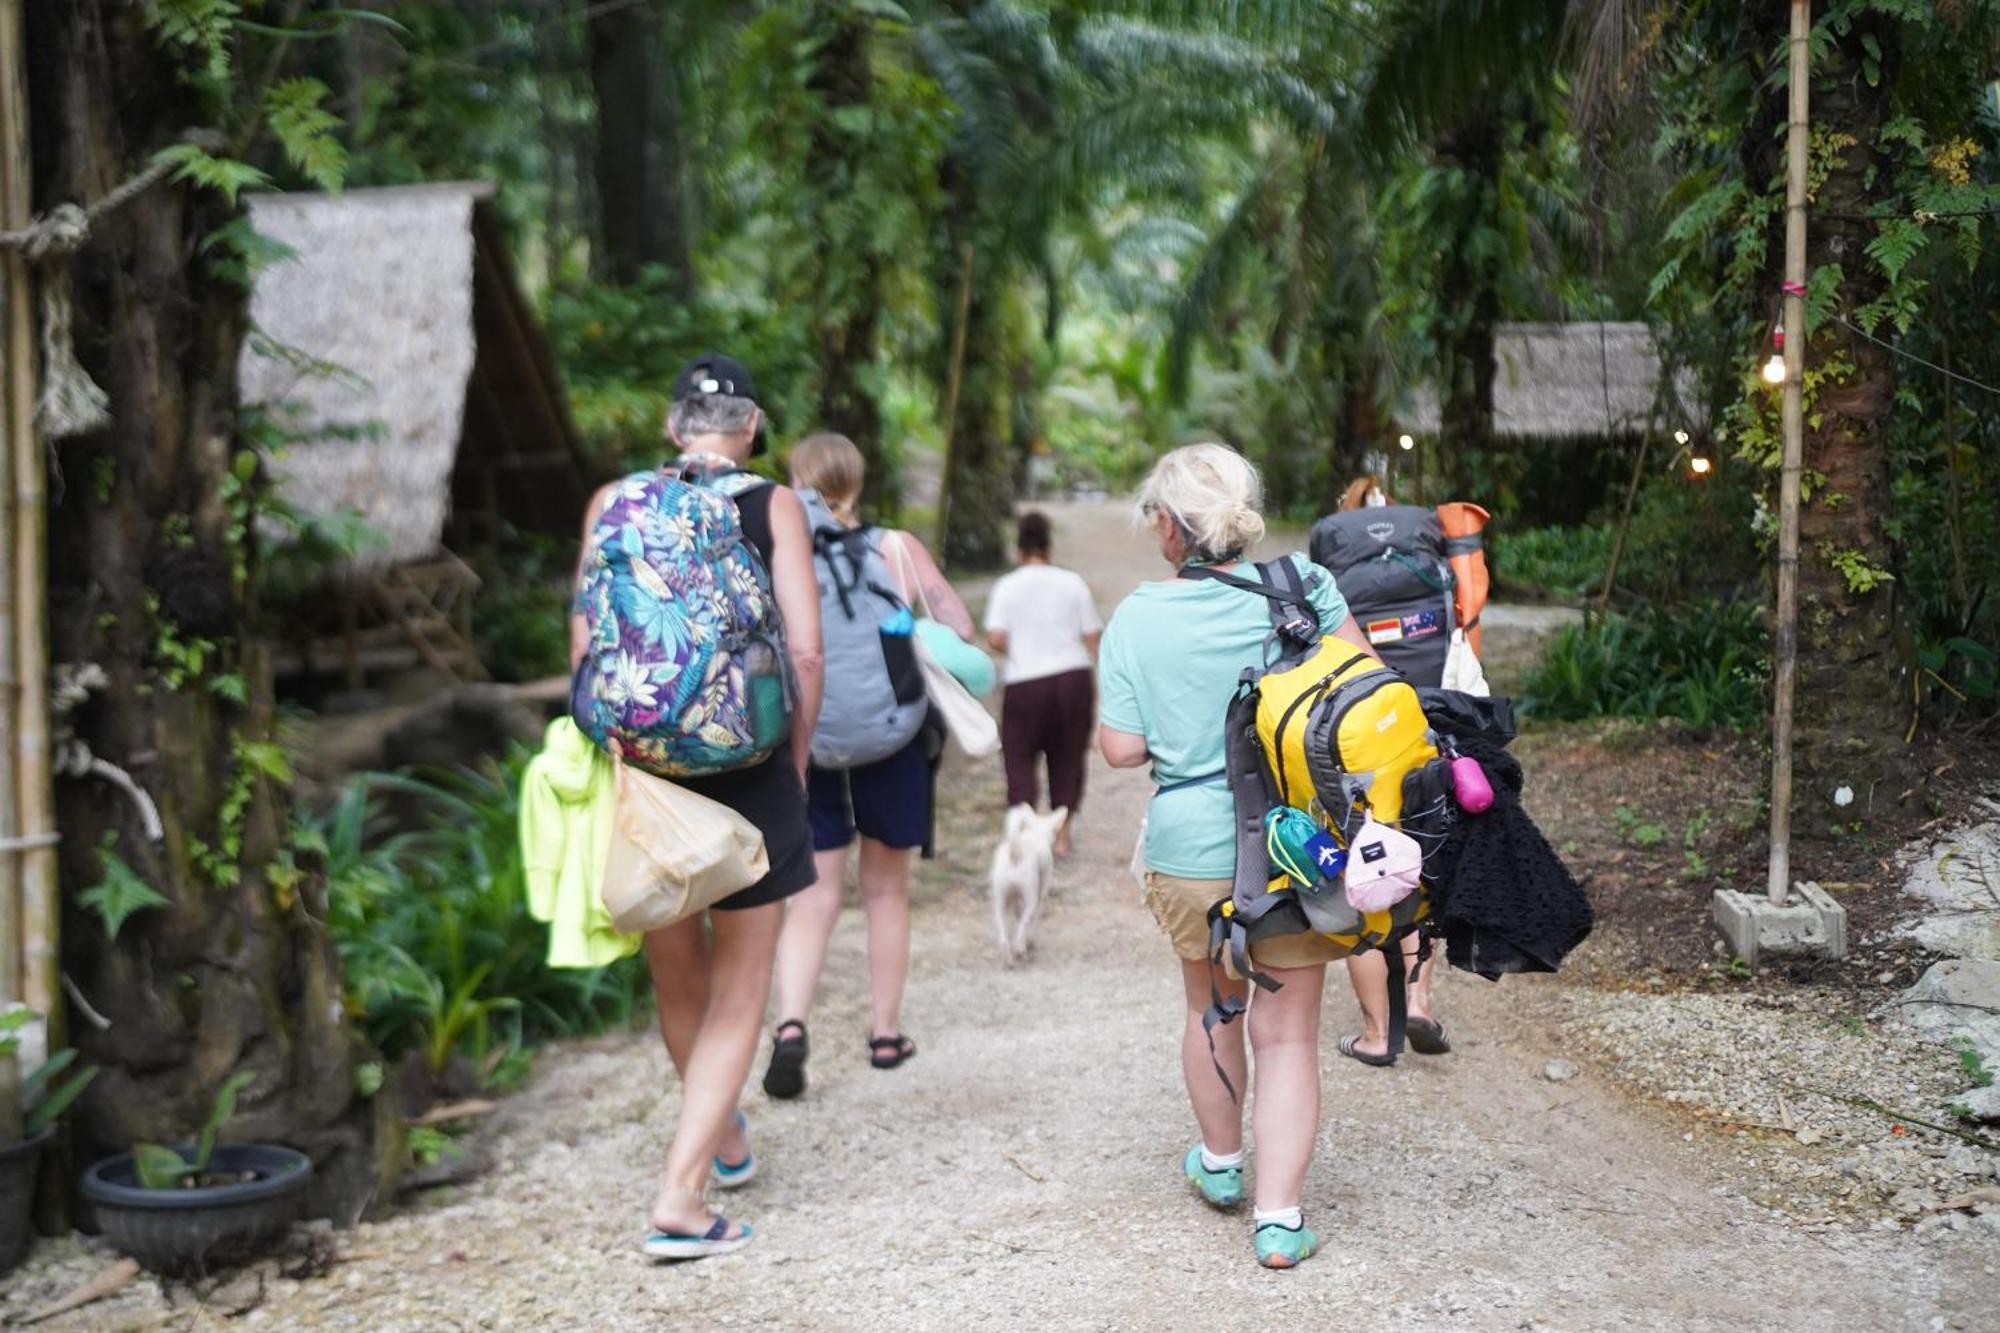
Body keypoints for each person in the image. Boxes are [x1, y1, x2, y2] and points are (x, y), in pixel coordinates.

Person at [1097, 443, 1376, 1270]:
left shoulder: (1137, 616)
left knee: (1211, 1005)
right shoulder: (1303, 590)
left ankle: (1220, 1166)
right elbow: (1366, 683)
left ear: (1168, 526)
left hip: (1190, 848)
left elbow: (1118, 749)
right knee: (1287, 1034)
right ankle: (1280, 1219)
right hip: (1297, 845)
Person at [571, 353, 824, 1260]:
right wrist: (792, 764)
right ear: (751, 427)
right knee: (742, 986)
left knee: (677, 972)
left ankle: (718, 1138)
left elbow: (587, 639)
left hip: (644, 762)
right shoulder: (772, 505)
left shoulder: (614, 502)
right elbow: (803, 652)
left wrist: (614, 746)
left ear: (675, 427)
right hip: (748, 760)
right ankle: (680, 1194)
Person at [761, 433, 977, 1099]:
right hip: (893, 734)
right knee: (886, 889)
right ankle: (885, 1034)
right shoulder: (897, 547)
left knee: (814, 896)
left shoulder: (775, 550)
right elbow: (960, 627)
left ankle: (791, 1026)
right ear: (857, 483)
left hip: (811, 738)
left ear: (795, 480)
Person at [1320, 478, 1449, 1065]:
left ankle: (1377, 1033)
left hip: (1360, 733)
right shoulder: (1429, 544)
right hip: (1423, 717)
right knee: (1424, 859)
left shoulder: (1329, 563)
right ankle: (1418, 998)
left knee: (1364, 868)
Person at [985, 511, 1102, 856]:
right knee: (1068, 756)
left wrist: (1017, 645)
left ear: (1018, 550)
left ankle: (1026, 831)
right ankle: (1062, 836)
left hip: (1025, 682)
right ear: (1049, 547)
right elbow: (1092, 635)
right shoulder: (1072, 582)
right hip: (1072, 678)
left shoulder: (1007, 586)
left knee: (1019, 756)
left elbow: (994, 636)